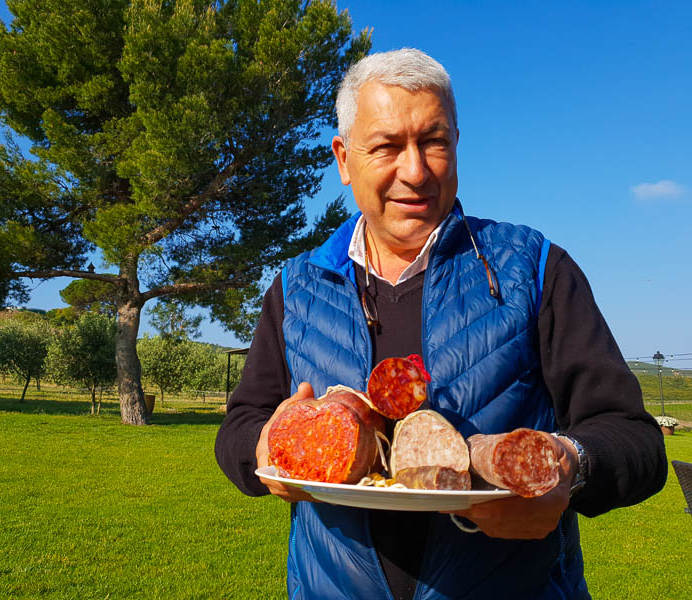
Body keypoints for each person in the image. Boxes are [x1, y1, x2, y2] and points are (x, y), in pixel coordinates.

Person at [214, 48, 667, 600]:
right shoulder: (297, 288)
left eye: (434, 141)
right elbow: (238, 428)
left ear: (456, 143)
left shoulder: (534, 268)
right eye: (386, 146)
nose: (416, 170)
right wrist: (267, 445)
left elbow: (636, 441)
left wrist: (569, 467)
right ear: (343, 158)